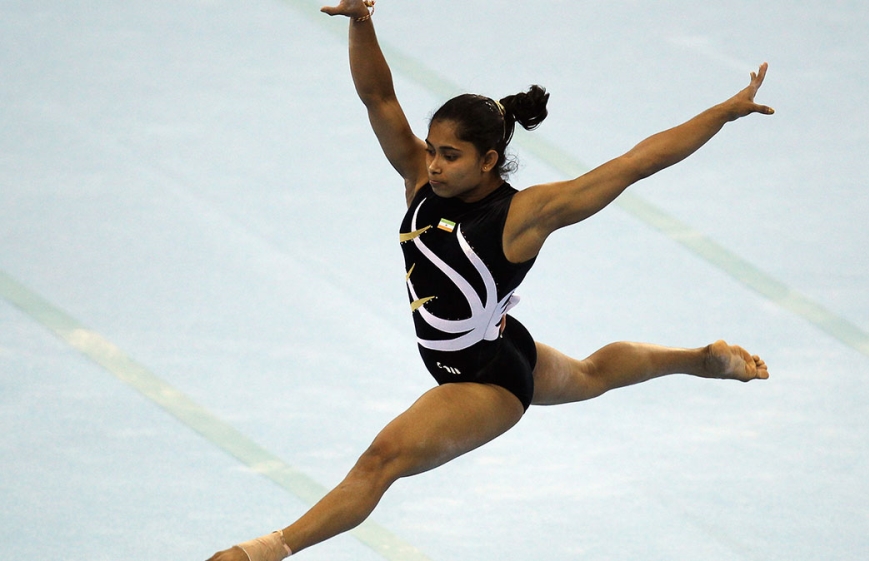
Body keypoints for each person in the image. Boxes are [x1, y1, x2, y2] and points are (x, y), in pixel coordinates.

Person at [208, 1, 772, 559]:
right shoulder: (421, 181)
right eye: (432, 150)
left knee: (382, 460)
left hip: (487, 381)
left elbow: (634, 164)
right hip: (502, 341)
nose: (432, 164)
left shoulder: (523, 217)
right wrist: (362, 22)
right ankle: (701, 359)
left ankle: (266, 550)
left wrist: (720, 114)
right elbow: (378, 96)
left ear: (489, 160)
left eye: (449, 156)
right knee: (591, 374)